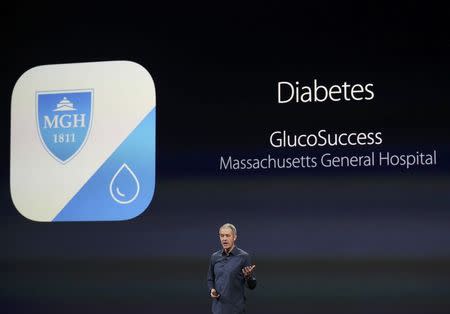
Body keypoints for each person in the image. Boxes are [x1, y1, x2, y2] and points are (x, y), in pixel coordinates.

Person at [207, 223, 256, 314]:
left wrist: (249, 277)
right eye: (222, 236)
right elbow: (210, 279)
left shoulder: (243, 257)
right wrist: (212, 290)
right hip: (217, 310)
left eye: (228, 236)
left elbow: (252, 286)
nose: (224, 238)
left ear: (234, 237)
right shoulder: (215, 257)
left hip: (235, 310)